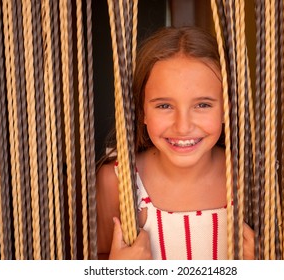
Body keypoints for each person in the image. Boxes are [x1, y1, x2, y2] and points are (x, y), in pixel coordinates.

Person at [96, 26, 254, 260]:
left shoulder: (249, 178)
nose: (183, 126)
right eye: (164, 106)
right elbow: (100, 254)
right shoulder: (117, 181)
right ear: (142, 112)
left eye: (202, 105)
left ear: (226, 110)